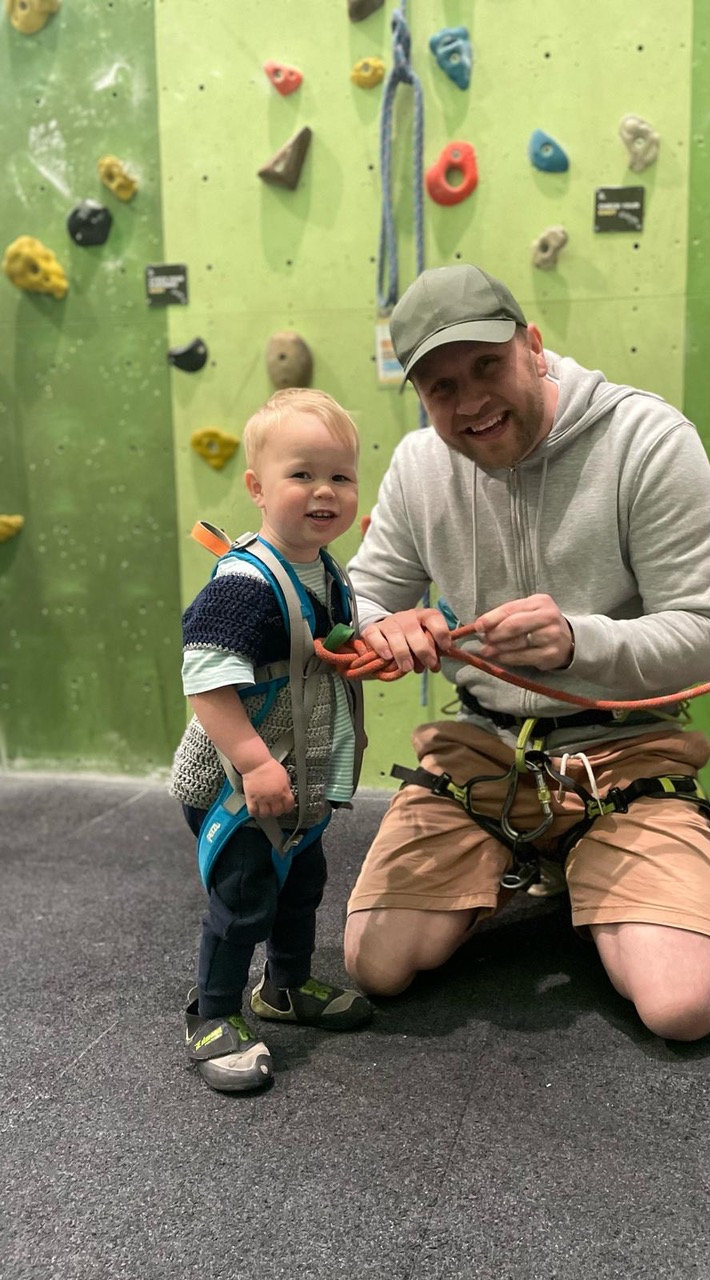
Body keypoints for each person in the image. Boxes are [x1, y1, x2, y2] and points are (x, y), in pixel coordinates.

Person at [342, 263, 710, 1042]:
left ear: (532, 345)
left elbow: (705, 636)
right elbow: (356, 600)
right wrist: (381, 627)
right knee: (376, 965)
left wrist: (579, 642)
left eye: (487, 366)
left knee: (681, 1008)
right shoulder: (418, 468)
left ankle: (591, 851)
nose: (470, 402)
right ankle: (541, 855)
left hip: (625, 748)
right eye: (441, 387)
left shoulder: (648, 440)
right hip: (483, 750)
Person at [170, 387, 372, 1092]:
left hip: (299, 781)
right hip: (238, 784)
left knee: (301, 888)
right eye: (302, 474)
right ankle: (213, 1014)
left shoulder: (328, 571)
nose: (325, 491)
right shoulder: (245, 584)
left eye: (340, 476)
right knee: (245, 898)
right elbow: (204, 678)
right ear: (257, 488)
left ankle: (284, 987)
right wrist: (253, 763)